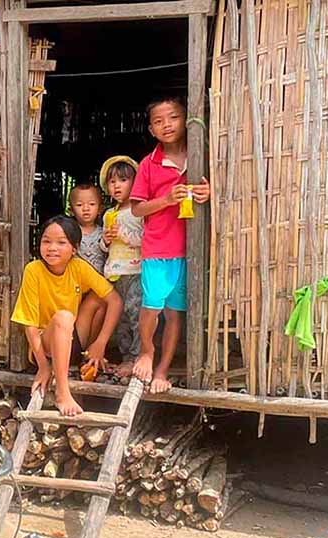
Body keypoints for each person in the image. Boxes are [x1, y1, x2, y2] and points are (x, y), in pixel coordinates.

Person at [128, 98, 210, 393]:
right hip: (159, 248)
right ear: (151, 129)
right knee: (152, 307)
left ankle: (162, 369)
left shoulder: (201, 157)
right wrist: (165, 199)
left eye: (173, 117)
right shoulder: (149, 165)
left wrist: (209, 191)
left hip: (191, 251)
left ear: (185, 120)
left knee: (176, 312)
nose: (167, 125)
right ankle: (147, 351)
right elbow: (137, 209)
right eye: (159, 121)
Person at [12, 216, 123, 416]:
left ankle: (88, 356)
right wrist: (44, 367)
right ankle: (63, 391)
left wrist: (100, 343)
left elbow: (115, 300)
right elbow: (29, 324)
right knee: (63, 317)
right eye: (46, 241)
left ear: (75, 248)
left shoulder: (78, 267)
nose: (52, 248)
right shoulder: (33, 270)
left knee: (99, 299)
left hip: (74, 341)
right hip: (46, 347)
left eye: (61, 242)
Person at [98, 156, 145, 367]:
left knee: (136, 315)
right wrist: (105, 242)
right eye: (112, 181)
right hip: (115, 274)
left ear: (135, 183)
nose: (116, 185)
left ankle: (138, 357)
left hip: (135, 272)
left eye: (123, 180)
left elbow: (146, 240)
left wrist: (124, 234)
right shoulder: (109, 214)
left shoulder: (139, 211)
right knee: (121, 319)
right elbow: (104, 248)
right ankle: (127, 357)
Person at [69, 182, 106, 273]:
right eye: (79, 205)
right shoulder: (69, 233)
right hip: (77, 281)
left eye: (92, 204)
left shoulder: (104, 233)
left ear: (100, 209)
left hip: (100, 282)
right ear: (71, 211)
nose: (86, 208)